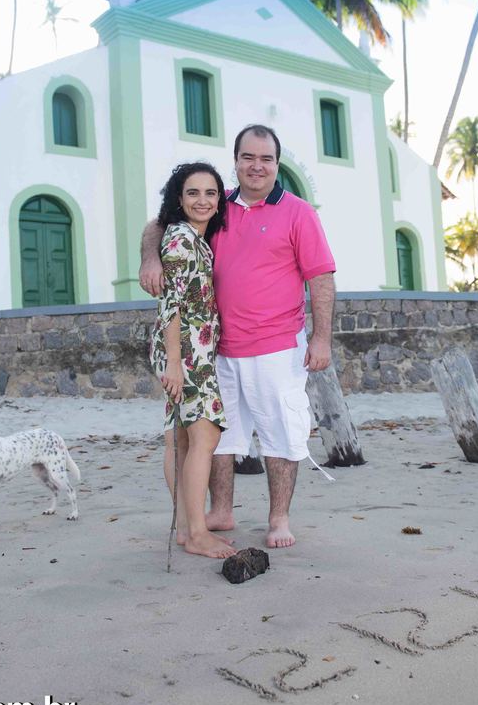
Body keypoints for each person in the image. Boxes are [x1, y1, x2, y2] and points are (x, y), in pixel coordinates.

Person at [140, 125, 336, 549]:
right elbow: (160, 223)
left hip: (277, 347)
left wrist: (322, 338)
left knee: (280, 435)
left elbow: (320, 277)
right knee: (217, 437)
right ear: (236, 161)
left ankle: (278, 519)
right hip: (217, 349)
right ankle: (221, 511)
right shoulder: (217, 205)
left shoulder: (299, 212)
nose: (256, 166)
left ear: (277, 164)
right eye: (248, 157)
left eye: (266, 158)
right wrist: (149, 260)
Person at [149, 162, 237, 560]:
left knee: (183, 439)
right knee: (206, 436)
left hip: (189, 349)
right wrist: (174, 361)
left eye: (210, 193)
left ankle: (186, 528)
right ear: (178, 199)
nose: (202, 200)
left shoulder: (195, 239)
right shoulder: (181, 239)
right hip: (185, 351)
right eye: (192, 193)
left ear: (219, 200)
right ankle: (198, 533)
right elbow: (171, 303)